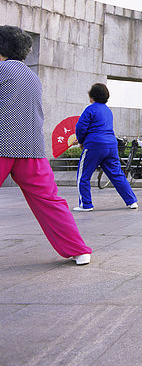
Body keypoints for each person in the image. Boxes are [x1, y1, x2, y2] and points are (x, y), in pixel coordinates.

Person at [0, 25, 92, 265]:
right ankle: (79, 250)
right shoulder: (32, 76)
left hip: (2, 146)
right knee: (50, 202)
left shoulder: (1, 70)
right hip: (31, 150)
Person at [73, 83, 139, 212]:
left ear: (92, 97)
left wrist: (80, 141)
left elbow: (80, 127)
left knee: (83, 176)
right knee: (117, 174)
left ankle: (85, 205)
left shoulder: (90, 109)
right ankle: (132, 201)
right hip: (111, 145)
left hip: (94, 145)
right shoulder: (108, 110)